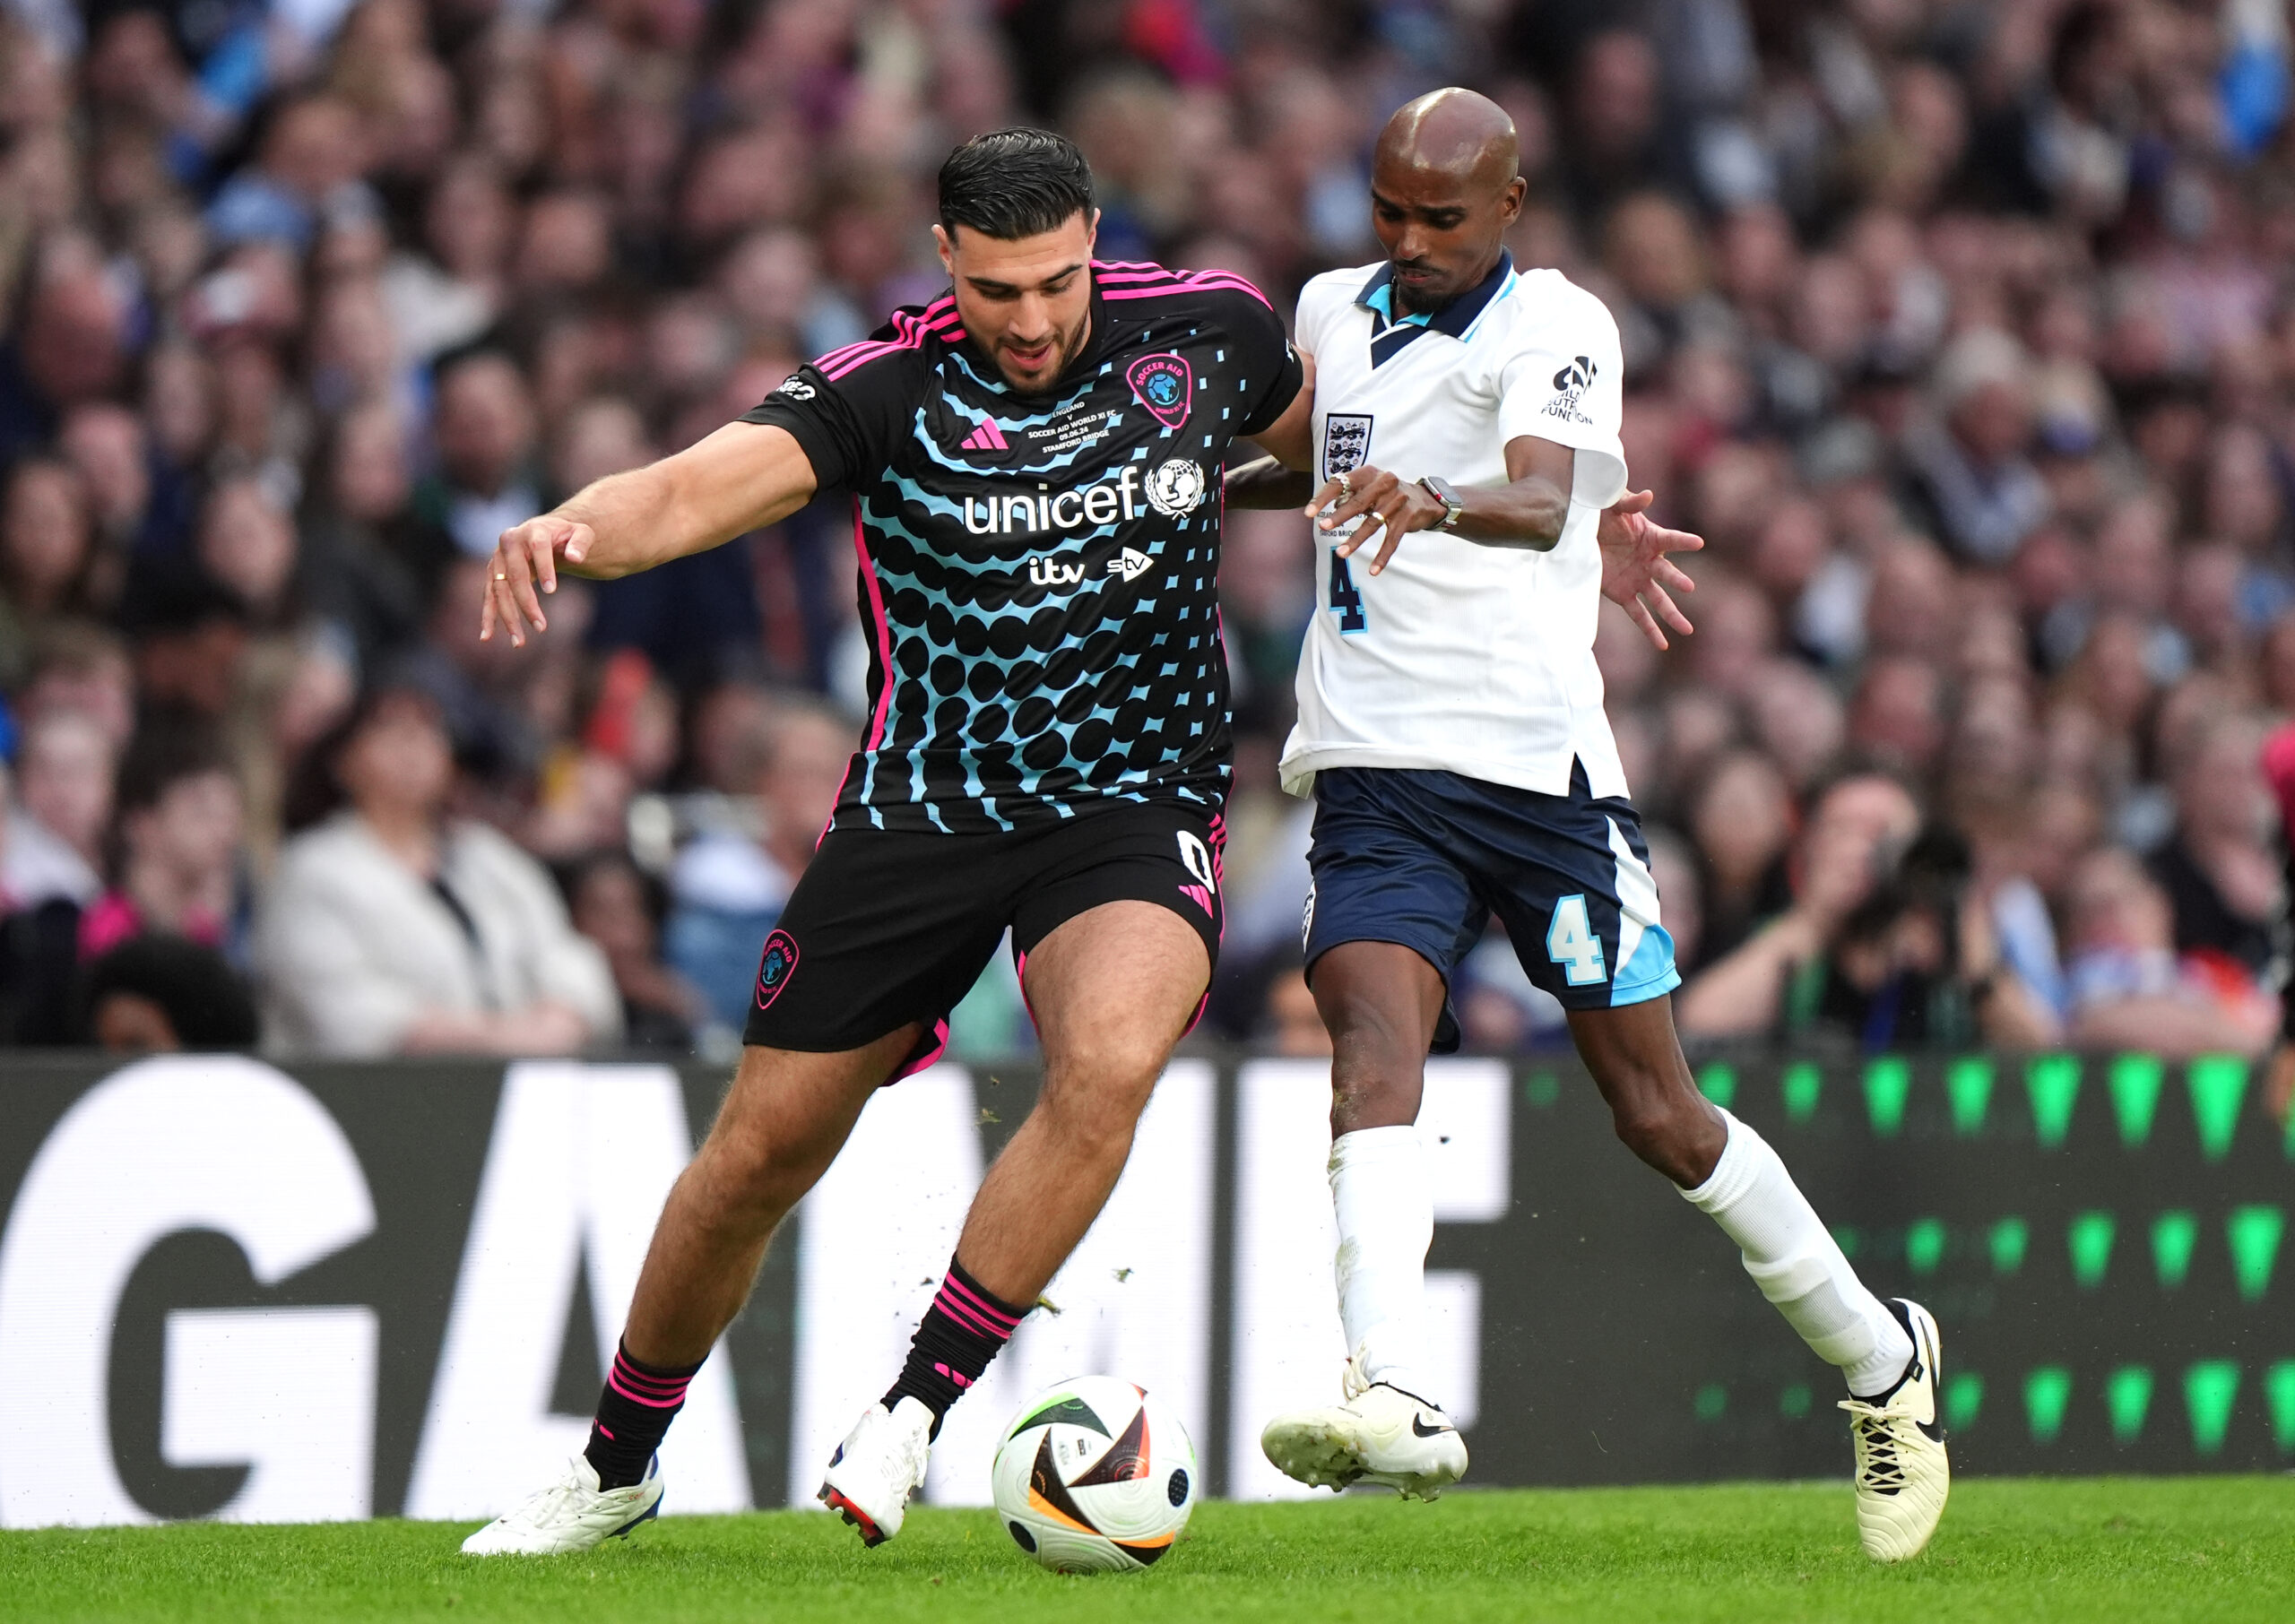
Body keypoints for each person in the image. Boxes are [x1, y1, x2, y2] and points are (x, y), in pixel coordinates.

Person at [460, 128, 1311, 1556]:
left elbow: (1298, 453)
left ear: (1094, 239)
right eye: (996, 291)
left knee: (1109, 1062)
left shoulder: (1213, 331)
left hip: (1131, 799)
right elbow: (684, 491)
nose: (1030, 322)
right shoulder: (888, 386)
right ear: (945, 264)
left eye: (1053, 283)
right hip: (924, 805)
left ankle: (914, 1410)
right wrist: (571, 526)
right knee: (754, 1159)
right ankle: (614, 1465)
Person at [1225, 91, 1948, 1563]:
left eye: (1442, 217)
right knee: (1370, 1045)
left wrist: (1427, 496)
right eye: (1389, 212)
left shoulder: (1562, 324)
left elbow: (1543, 494)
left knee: (1658, 1115)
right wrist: (1182, 491)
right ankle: (1394, 1393)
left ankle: (1883, 1362)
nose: (1410, 242)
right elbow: (1305, 452)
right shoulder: (1329, 307)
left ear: (1510, 203)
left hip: (1539, 777)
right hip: (1375, 767)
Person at [255, 678, 620, 1058]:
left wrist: (561, 1018)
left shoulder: (486, 856)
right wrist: (496, 1037)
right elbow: (343, 1008)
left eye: (428, 731)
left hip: (520, 1081)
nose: (413, 747)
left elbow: (562, 951)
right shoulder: (313, 868)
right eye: (390, 730)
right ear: (342, 761)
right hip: (374, 1096)